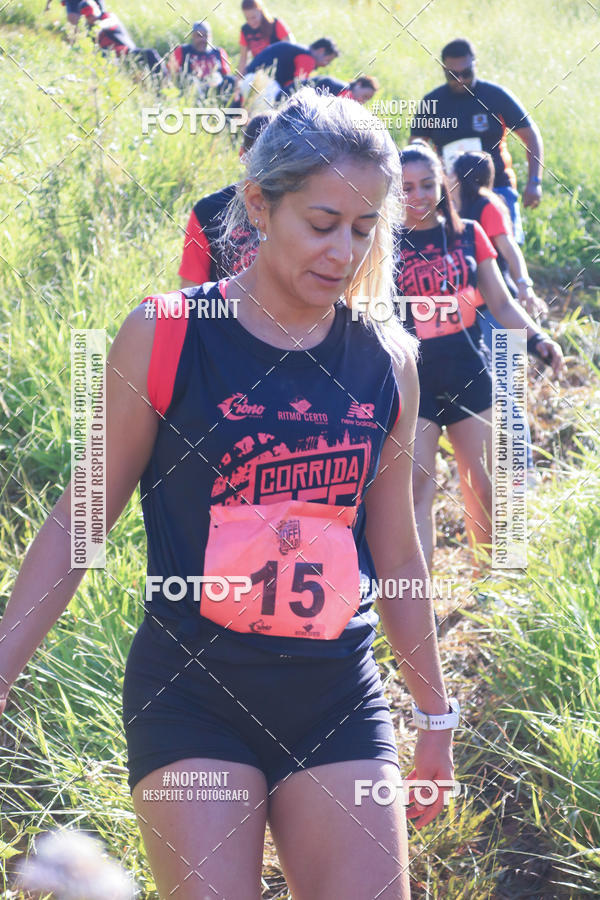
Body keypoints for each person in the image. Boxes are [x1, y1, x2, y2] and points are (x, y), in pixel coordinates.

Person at [1, 89, 459, 900]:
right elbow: (84, 516)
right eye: (322, 223)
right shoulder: (168, 331)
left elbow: (397, 550)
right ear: (258, 203)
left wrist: (436, 713)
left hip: (336, 696)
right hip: (192, 698)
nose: (344, 251)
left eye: (364, 229)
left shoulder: (388, 360)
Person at [394, 142, 564, 571]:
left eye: (427, 185)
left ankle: (493, 584)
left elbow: (502, 304)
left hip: (469, 371)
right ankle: (419, 600)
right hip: (412, 383)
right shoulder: (383, 244)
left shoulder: (469, 232)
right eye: (407, 187)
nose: (418, 196)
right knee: (417, 489)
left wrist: (538, 338)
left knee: (488, 486)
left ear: (443, 184)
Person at [453, 150, 548, 472]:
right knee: (491, 395)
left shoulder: (486, 205)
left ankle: (523, 473)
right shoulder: (454, 211)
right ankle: (497, 470)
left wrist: (525, 285)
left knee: (507, 393)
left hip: (498, 311)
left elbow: (509, 249)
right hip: (473, 314)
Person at [410, 37, 544, 246]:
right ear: (444, 69)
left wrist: (534, 182)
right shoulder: (432, 102)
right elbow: (416, 147)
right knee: (460, 255)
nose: (461, 79)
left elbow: (531, 136)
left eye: (466, 72)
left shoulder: (495, 96)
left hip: (498, 188)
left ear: (475, 64)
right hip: (452, 196)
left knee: (505, 254)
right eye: (453, 74)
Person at [179, 112, 274, 288]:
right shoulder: (208, 213)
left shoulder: (302, 210)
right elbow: (190, 295)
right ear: (242, 155)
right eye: (262, 159)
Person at [241, 37, 339, 103]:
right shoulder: (308, 58)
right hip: (263, 85)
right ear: (321, 51)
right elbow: (297, 87)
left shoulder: (298, 49)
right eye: (327, 60)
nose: (326, 65)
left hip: (247, 80)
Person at [169, 21, 235, 99]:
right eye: (199, 36)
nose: (203, 40)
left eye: (206, 36)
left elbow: (226, 75)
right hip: (191, 89)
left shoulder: (219, 52)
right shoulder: (182, 50)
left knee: (231, 80)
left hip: (215, 88)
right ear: (192, 36)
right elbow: (171, 74)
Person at [238, 0, 294, 76]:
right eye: (247, 18)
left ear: (261, 11)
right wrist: (238, 82)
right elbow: (243, 60)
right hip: (259, 70)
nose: (251, 22)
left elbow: (291, 49)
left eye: (254, 17)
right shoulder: (245, 30)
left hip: (280, 67)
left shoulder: (275, 24)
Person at [306, 74, 380, 104]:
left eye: (367, 100)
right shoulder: (336, 86)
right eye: (365, 96)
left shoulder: (352, 100)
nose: (364, 101)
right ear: (359, 84)